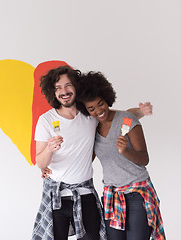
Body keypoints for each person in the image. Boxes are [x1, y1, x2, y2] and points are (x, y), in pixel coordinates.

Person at [32, 65, 152, 240]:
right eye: (58, 88)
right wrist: (49, 149)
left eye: (68, 85)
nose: (64, 91)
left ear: (76, 87)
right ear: (53, 92)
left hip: (85, 194)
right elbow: (40, 163)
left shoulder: (89, 115)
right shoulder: (46, 120)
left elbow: (117, 116)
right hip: (57, 197)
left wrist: (140, 111)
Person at [75, 71, 165, 240]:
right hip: (112, 196)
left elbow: (144, 159)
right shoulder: (92, 129)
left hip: (137, 194)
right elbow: (86, 159)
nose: (98, 111)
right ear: (86, 110)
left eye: (100, 104)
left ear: (106, 98)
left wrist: (126, 152)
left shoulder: (127, 120)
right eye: (91, 108)